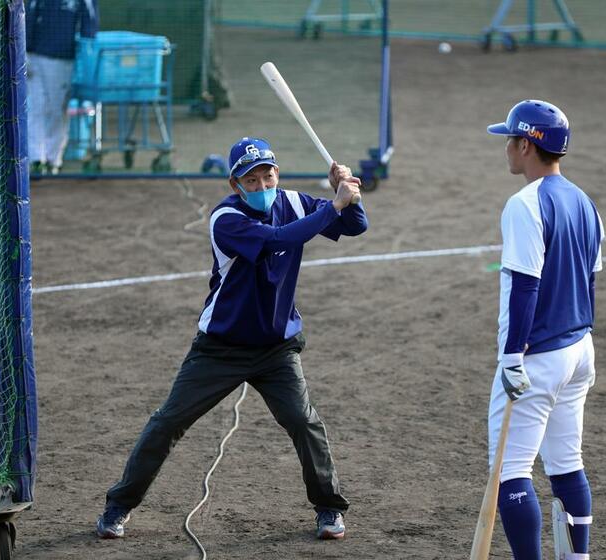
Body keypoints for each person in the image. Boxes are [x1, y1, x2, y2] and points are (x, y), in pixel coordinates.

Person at [96, 137, 367, 541]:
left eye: (267, 176)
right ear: (235, 183)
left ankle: (329, 509)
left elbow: (355, 226)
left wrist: (347, 193)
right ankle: (118, 506)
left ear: (278, 174)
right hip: (220, 348)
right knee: (167, 422)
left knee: (303, 422)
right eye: (251, 180)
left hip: (276, 348)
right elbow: (280, 240)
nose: (261, 186)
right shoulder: (226, 218)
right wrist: (334, 205)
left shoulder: (292, 202)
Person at [485, 100, 604, 560]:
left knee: (512, 471)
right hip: (579, 349)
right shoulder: (585, 202)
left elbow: (525, 285)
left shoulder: (525, 204)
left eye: (510, 140)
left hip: (536, 356)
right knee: (566, 464)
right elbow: (590, 280)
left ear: (526, 144)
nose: (506, 148)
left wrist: (513, 356)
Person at [25, 0, 98, 175]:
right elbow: (27, 16)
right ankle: (36, 158)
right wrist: (23, 52)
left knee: (56, 109)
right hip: (34, 56)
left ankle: (53, 159)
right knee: (35, 107)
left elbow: (90, 25)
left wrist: (85, 57)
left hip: (63, 59)